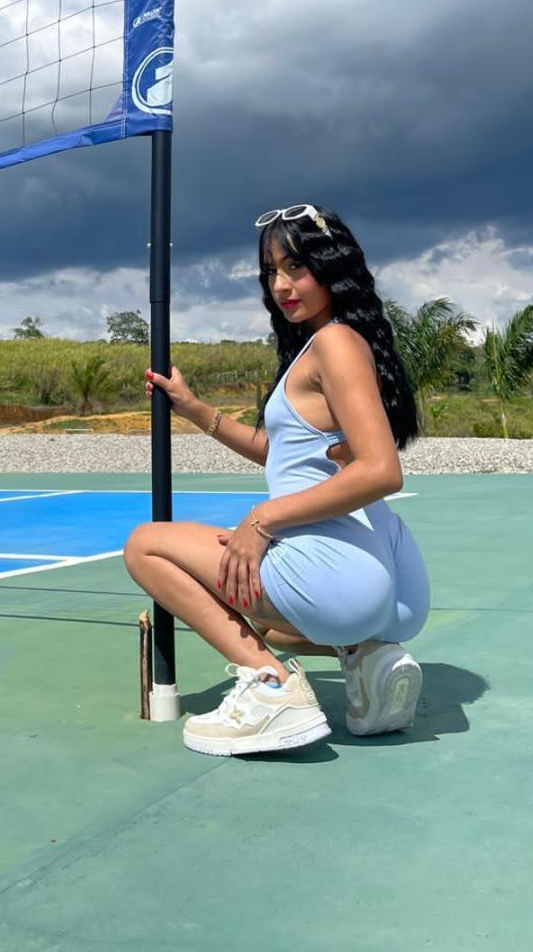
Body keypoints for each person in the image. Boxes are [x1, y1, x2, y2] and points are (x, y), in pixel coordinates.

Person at [124, 203, 430, 757]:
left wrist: (262, 520)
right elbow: (283, 453)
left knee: (145, 546)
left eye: (297, 267)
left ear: (333, 267)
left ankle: (273, 689)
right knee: (266, 627)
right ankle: (365, 655)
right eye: (271, 272)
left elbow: (381, 470)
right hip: (393, 585)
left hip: (340, 577)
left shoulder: (335, 343)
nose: (282, 285)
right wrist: (196, 410)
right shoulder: (338, 343)